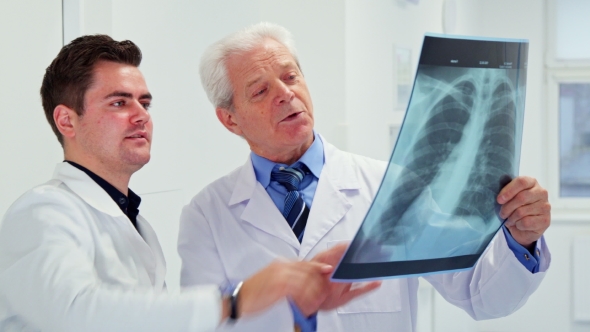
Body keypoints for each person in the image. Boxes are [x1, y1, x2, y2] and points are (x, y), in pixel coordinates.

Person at [178, 22, 552, 332]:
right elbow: (202, 323)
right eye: (261, 90)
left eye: (291, 76)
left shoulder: (392, 187)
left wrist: (521, 239)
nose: (286, 93)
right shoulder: (206, 215)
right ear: (230, 119)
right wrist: (293, 311)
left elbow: (481, 296)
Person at [0, 35, 376, 332]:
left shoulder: (133, 223)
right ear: (67, 121)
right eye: (119, 103)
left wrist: (296, 308)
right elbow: (74, 313)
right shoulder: (43, 212)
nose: (141, 116)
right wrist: (233, 302)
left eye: (144, 103)